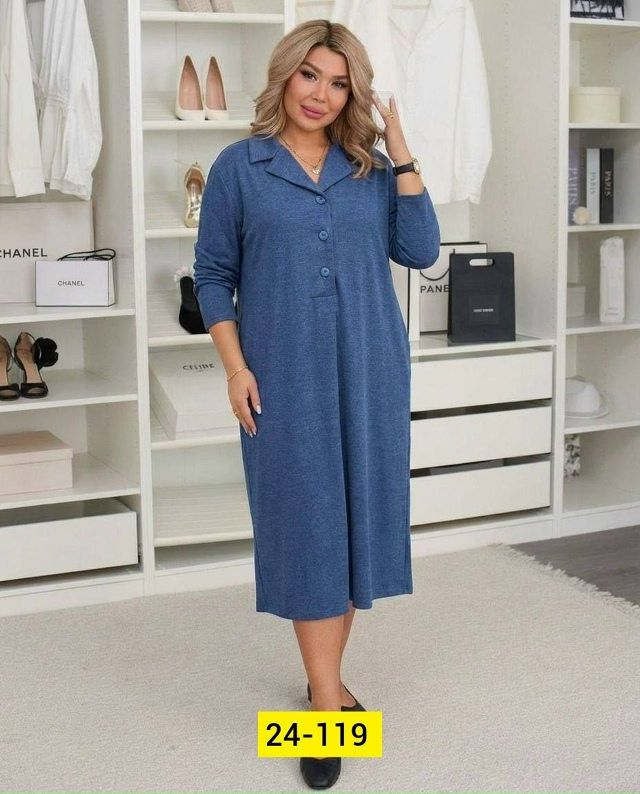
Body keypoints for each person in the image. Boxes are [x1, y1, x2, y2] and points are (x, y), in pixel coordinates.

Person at [193, 19, 440, 790]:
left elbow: (422, 250)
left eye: (339, 83)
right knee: (306, 531)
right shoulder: (240, 167)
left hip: (370, 371)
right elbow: (212, 276)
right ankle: (328, 705)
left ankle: (323, 687)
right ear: (285, 74)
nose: (320, 95)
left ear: (352, 93)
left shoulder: (370, 169)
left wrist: (401, 149)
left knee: (356, 528)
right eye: (310, 75)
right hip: (281, 376)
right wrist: (235, 370)